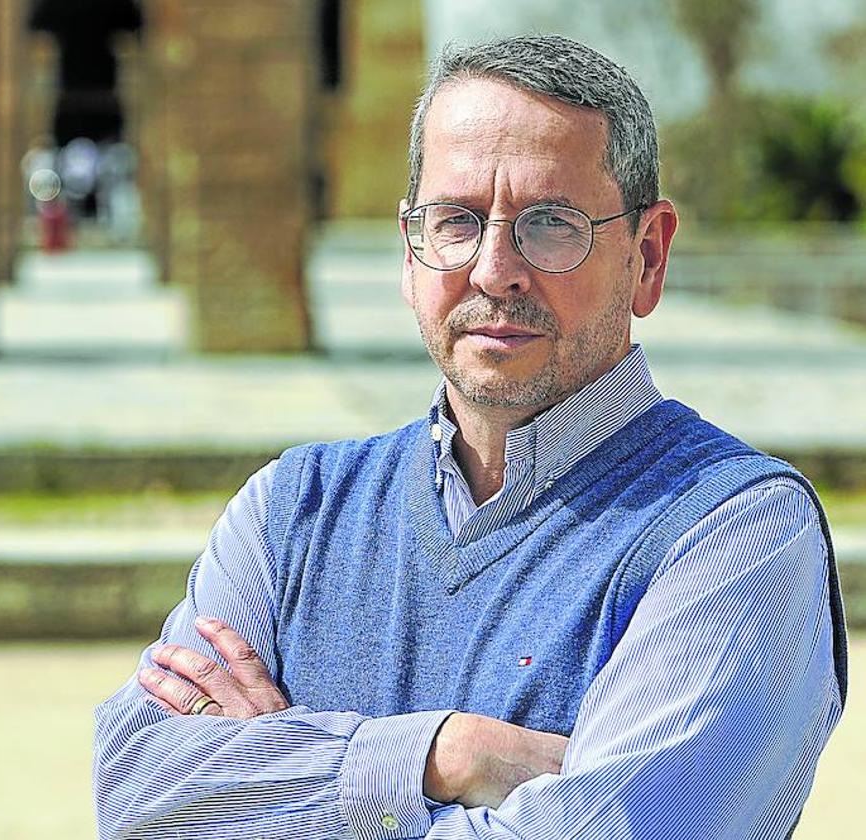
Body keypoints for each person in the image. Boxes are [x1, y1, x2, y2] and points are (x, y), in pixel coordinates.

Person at [93, 34, 848, 839]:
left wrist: (279, 776)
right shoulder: (293, 512)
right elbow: (137, 796)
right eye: (456, 220)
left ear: (648, 256)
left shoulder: (735, 533)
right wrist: (438, 755)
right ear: (410, 253)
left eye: (551, 224)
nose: (494, 269)